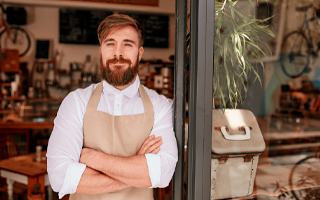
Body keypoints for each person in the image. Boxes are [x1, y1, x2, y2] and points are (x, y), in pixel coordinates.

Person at [47, 14, 178, 200]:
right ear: (101, 51)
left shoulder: (161, 106)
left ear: (139, 53)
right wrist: (137, 168)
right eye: (110, 43)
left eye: (127, 44)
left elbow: (163, 174)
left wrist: (92, 158)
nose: (118, 53)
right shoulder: (76, 102)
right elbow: (60, 177)